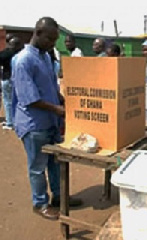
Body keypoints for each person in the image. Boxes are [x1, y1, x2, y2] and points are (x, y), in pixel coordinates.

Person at [11, 17, 81, 221]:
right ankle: (40, 203)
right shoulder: (24, 60)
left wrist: (63, 99)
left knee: (55, 162)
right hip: (34, 124)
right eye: (50, 39)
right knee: (37, 166)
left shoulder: (46, 57)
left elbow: (51, 85)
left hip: (50, 121)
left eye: (55, 40)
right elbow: (29, 98)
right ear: (38, 33)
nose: (53, 44)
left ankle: (59, 197)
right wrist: (57, 109)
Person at [0, 36, 24, 130]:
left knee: (7, 101)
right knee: (17, 101)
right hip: (18, 79)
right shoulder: (21, 54)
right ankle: (15, 120)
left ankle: (10, 122)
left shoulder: (6, 54)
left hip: (7, 78)